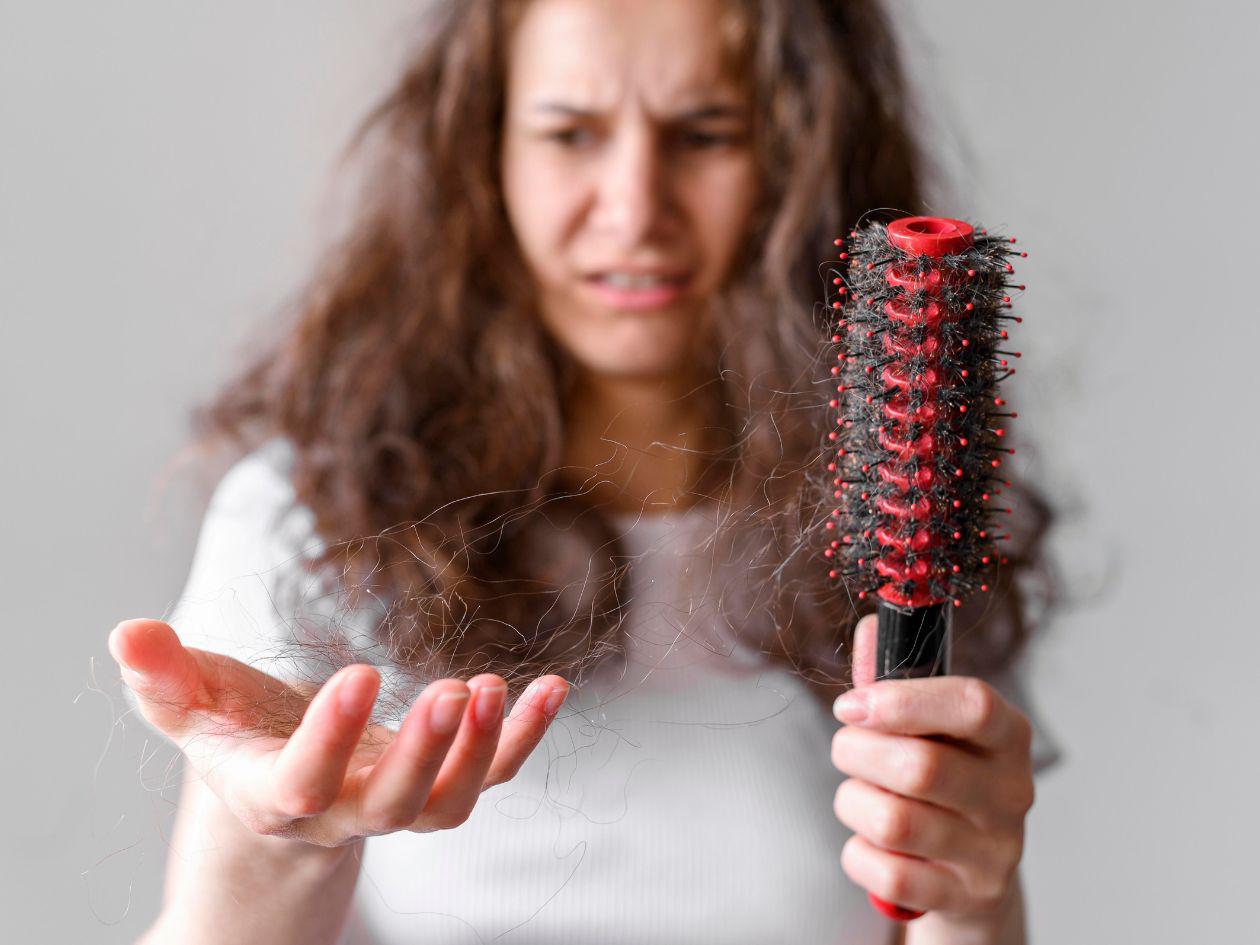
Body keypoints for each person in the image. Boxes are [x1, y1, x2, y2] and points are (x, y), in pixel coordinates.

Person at [109, 1, 1060, 942]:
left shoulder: (913, 520)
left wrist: (974, 898)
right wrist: (285, 838)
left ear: (802, 155)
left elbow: (927, 902)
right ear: (486, 156)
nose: (635, 207)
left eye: (705, 133)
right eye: (570, 134)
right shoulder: (309, 520)